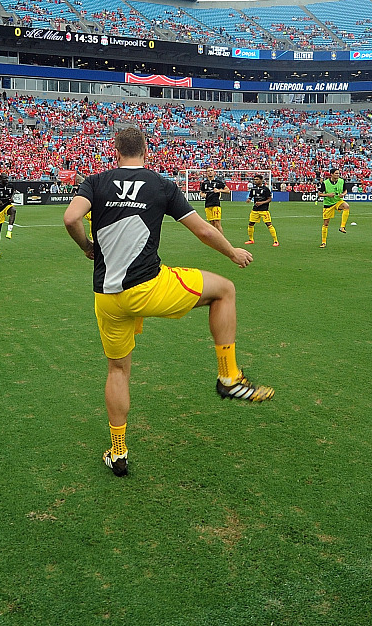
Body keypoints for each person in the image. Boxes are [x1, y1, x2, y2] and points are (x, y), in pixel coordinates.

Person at [62, 127, 273, 478]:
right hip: (149, 287)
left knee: (117, 371)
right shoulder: (161, 184)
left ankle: (118, 452)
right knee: (225, 290)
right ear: (146, 151)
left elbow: (71, 218)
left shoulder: (96, 182)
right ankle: (228, 376)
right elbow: (203, 230)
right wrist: (232, 252)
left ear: (115, 152)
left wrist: (86, 246)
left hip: (108, 297)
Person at [318, 167, 349, 247]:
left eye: (338, 173)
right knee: (326, 223)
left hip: (338, 201)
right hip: (328, 204)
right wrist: (328, 195)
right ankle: (323, 242)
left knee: (346, 206)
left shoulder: (342, 181)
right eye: (336, 173)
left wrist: (343, 194)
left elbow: (345, 190)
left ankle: (342, 227)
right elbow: (319, 194)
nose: (338, 175)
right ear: (331, 174)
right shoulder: (325, 183)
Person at [246, 174, 278, 247]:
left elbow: (269, 199)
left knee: (269, 224)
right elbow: (250, 197)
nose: (255, 181)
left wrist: (261, 203)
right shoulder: (253, 189)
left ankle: (275, 241)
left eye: (257, 179)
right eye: (254, 179)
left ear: (261, 180)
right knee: (251, 224)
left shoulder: (266, 189)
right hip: (255, 210)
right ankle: (251, 239)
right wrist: (248, 199)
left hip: (264, 210)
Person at [0, 173, 15, 259]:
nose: (7, 180)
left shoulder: (10, 186)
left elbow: (13, 192)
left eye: (7, 178)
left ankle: (9, 231)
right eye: (5, 178)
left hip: (7, 205)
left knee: (13, 210)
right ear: (0, 179)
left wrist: (12, 198)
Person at [199, 169, 227, 235]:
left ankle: (221, 239)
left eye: (211, 170)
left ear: (214, 172)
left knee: (217, 223)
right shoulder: (204, 183)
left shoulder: (218, 182)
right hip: (207, 205)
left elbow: (227, 190)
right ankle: (215, 238)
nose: (210, 172)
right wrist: (203, 195)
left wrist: (219, 191)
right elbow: (201, 192)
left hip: (216, 204)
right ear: (206, 173)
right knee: (212, 224)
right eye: (208, 171)